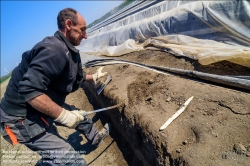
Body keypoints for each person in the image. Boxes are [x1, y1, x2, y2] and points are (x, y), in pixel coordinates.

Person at [0, 8, 111, 166]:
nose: (86, 36)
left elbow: (71, 77)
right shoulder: (54, 51)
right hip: (20, 118)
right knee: (70, 161)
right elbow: (29, 90)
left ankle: (96, 138)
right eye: (82, 30)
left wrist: (93, 77)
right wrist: (63, 116)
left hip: (38, 102)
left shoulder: (67, 49)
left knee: (81, 118)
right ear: (68, 24)